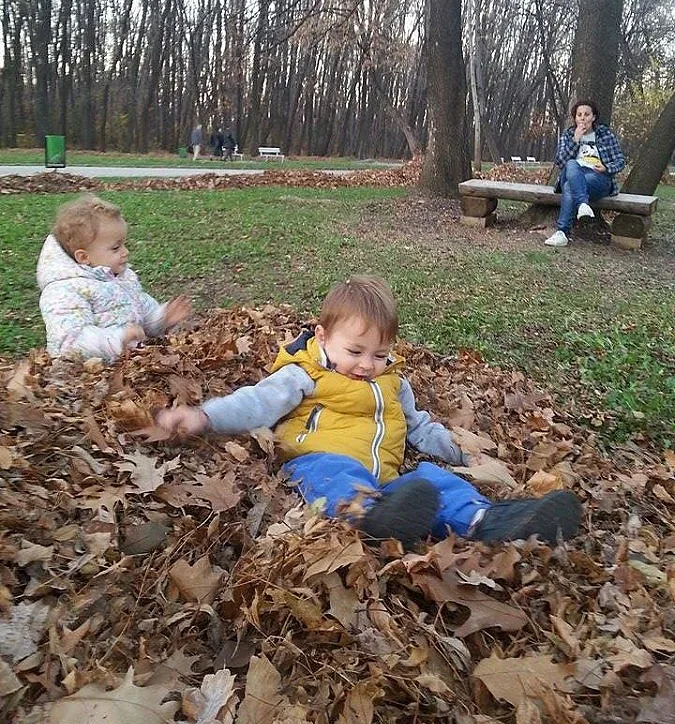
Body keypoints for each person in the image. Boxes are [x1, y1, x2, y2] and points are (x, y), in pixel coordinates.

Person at [156, 275, 581, 549]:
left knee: (433, 480)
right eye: (355, 351)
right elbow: (257, 402)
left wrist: (464, 454)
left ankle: (493, 519)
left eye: (380, 353)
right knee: (338, 475)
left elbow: (420, 428)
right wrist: (205, 416)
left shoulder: (393, 382)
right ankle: (366, 517)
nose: (366, 364)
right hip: (318, 460)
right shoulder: (305, 374)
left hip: (390, 483)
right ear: (322, 337)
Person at [37, 196, 191, 363]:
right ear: (83, 256)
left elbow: (142, 311)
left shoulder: (120, 279)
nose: (125, 252)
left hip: (128, 365)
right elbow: (69, 343)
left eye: (124, 244)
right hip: (89, 378)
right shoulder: (64, 291)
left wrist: (161, 318)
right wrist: (116, 340)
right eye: (116, 248)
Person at [545, 99, 625, 248]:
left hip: (598, 177)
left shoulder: (605, 134)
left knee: (570, 187)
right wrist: (576, 139)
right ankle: (582, 203)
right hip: (572, 172)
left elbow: (620, 160)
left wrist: (607, 168)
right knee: (570, 164)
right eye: (579, 114)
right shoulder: (569, 135)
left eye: (587, 114)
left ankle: (562, 233)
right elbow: (560, 161)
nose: (582, 118)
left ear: (593, 117)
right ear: (575, 118)